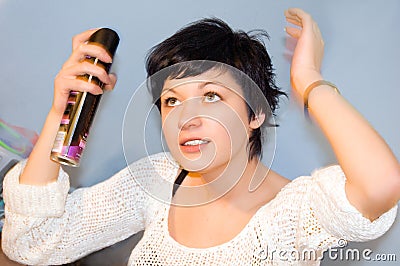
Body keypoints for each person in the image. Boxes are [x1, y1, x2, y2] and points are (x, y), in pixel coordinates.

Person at [1, 7, 399, 265]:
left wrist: (308, 78)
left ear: (255, 113)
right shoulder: (159, 180)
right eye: (172, 101)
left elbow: (381, 184)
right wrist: (63, 111)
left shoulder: (293, 213)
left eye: (211, 96)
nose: (186, 117)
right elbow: (33, 241)